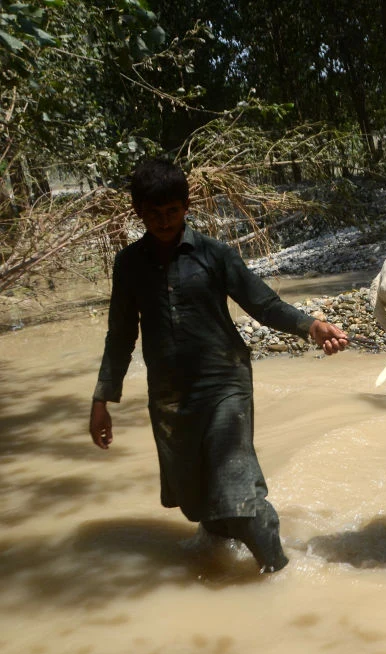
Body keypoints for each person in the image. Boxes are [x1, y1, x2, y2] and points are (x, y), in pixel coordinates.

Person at [88, 158, 349, 573]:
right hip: (170, 396)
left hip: (224, 384)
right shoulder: (129, 265)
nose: (164, 221)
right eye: (153, 214)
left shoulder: (214, 254)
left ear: (186, 206)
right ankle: (229, 573)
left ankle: (282, 574)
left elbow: (263, 304)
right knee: (199, 503)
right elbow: (120, 336)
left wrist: (311, 326)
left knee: (238, 495)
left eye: (172, 211)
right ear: (138, 212)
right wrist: (102, 399)